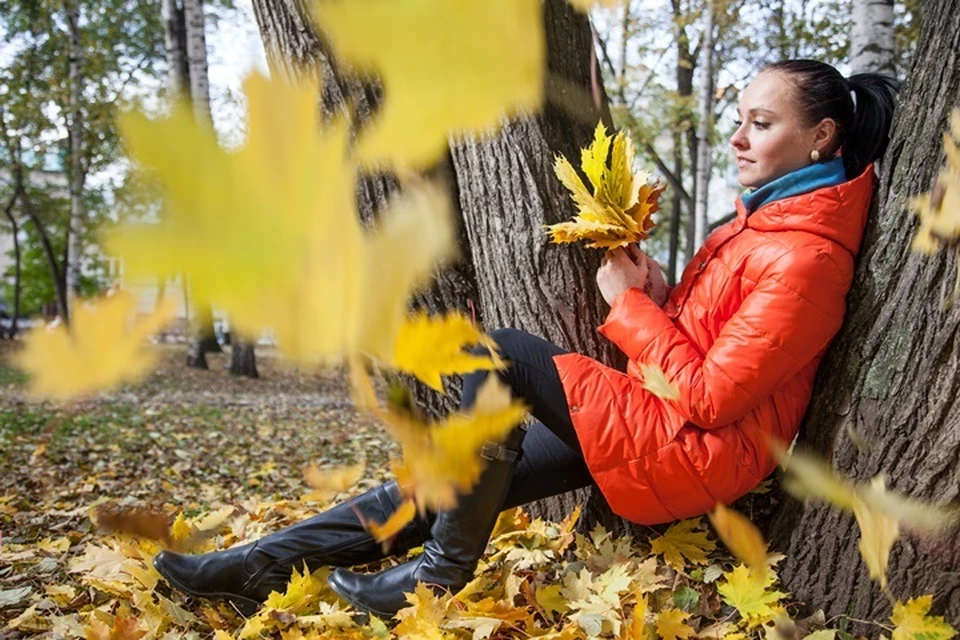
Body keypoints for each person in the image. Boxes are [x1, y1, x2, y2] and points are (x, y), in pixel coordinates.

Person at [153, 60, 899, 618]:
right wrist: (661, 294)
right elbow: (720, 342)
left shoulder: (808, 253)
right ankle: (256, 565)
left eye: (760, 124)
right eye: (738, 119)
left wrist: (627, 307)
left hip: (695, 448)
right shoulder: (768, 223)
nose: (737, 137)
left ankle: (438, 577)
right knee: (448, 480)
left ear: (822, 135)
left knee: (498, 354)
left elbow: (709, 396)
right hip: (657, 418)